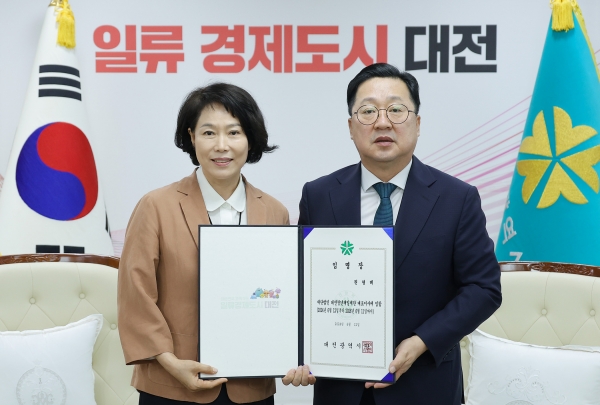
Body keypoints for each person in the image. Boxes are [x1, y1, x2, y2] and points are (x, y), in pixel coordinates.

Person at [298, 63, 502, 405]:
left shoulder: (457, 198)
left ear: (417, 124)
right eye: (367, 111)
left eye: (396, 109)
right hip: (340, 388)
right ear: (350, 127)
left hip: (425, 384)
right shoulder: (318, 195)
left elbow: (484, 289)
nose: (382, 122)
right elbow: (303, 284)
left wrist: (422, 341)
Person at [118, 83, 308, 405]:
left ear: (250, 139)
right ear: (192, 137)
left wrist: (296, 354)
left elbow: (282, 296)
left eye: (234, 132)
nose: (222, 146)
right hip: (172, 384)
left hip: (250, 389)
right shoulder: (156, 206)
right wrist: (169, 362)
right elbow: (135, 295)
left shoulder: (274, 212)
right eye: (209, 133)